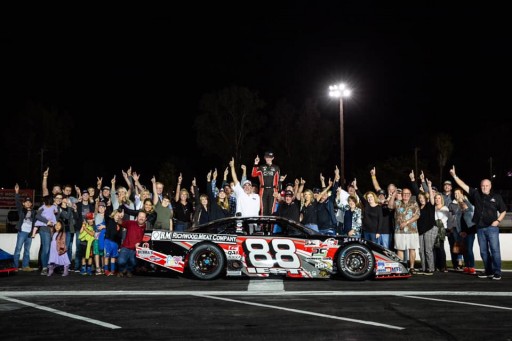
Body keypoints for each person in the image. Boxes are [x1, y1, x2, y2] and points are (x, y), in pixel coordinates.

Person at [450, 166, 507, 280]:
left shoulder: (497, 197)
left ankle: (497, 272)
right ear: (480, 186)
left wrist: (498, 221)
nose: (484, 187)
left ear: (490, 186)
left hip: (492, 228)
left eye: (486, 185)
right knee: (483, 252)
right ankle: (488, 271)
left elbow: (503, 210)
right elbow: (463, 186)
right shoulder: (476, 194)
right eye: (483, 185)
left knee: (495, 250)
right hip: (480, 228)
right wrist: (454, 176)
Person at [388, 187, 420, 273]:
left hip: (412, 230)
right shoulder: (397, 203)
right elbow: (390, 206)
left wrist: (407, 222)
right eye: (403, 194)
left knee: (412, 248)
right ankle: (401, 266)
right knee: (400, 249)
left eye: (407, 194)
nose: (405, 195)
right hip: (399, 231)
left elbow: (417, 215)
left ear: (410, 195)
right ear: (401, 195)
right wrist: (393, 195)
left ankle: (412, 267)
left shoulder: (414, 203)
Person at [117, 210, 148, 278]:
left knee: (133, 262)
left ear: (145, 219)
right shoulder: (131, 223)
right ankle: (121, 270)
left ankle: (129, 270)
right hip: (125, 247)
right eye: (140, 216)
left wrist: (140, 244)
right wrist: (119, 217)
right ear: (137, 217)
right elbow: (121, 222)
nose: (141, 218)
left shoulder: (147, 228)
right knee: (120, 261)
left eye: (143, 217)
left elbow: (147, 241)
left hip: (136, 250)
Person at [13, 184, 36, 271]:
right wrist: (17, 192)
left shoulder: (34, 212)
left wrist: (33, 233)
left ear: (31, 204)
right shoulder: (21, 210)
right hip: (22, 232)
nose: (28, 203)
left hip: (29, 233)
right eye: (26, 202)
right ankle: (15, 266)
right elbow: (17, 201)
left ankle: (25, 266)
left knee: (27, 250)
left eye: (29, 202)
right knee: (18, 249)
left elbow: (35, 222)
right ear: (23, 203)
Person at [252, 151, 280, 216]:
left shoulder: (276, 168)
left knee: (271, 211)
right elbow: (253, 174)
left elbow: (278, 181)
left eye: (270, 157)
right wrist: (256, 163)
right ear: (264, 158)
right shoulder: (261, 167)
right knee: (263, 210)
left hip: (273, 190)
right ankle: (262, 226)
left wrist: (279, 191)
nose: (268, 159)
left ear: (272, 158)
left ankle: (270, 226)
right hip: (263, 190)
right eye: (267, 157)